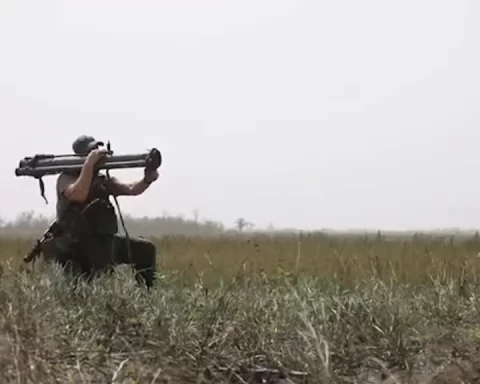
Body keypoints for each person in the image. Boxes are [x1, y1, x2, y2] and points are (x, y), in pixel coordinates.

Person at [44, 135, 159, 288]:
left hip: (105, 240)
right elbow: (79, 195)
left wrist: (147, 180)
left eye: (97, 149)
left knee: (145, 249)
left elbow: (131, 189)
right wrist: (88, 166)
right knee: (87, 281)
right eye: (92, 151)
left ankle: (145, 295)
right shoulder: (66, 178)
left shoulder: (101, 178)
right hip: (75, 245)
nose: (97, 153)